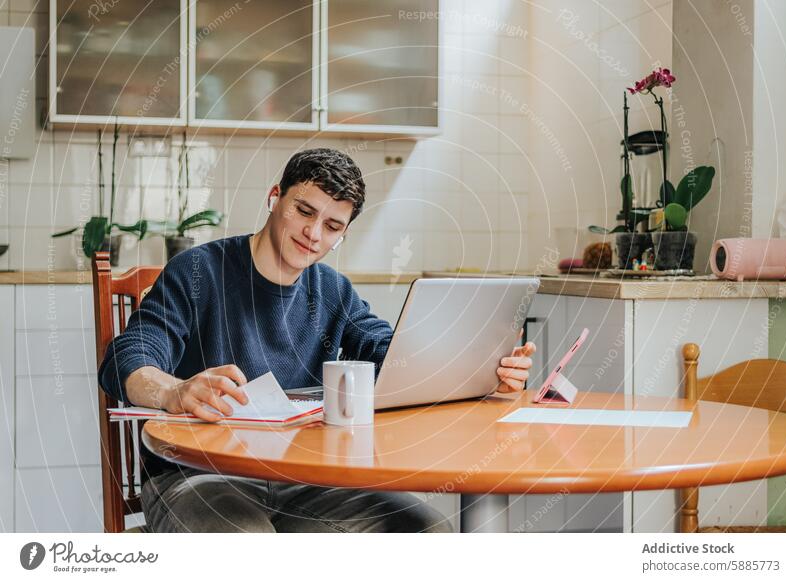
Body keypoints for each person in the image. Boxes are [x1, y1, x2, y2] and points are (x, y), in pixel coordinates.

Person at [98, 148, 536, 533]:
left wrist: (481, 369)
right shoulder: (198, 271)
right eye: (304, 211)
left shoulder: (333, 290)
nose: (313, 234)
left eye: (332, 226)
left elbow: (391, 357)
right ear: (275, 199)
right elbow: (128, 357)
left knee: (427, 531)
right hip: (200, 476)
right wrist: (175, 390)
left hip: (305, 482)